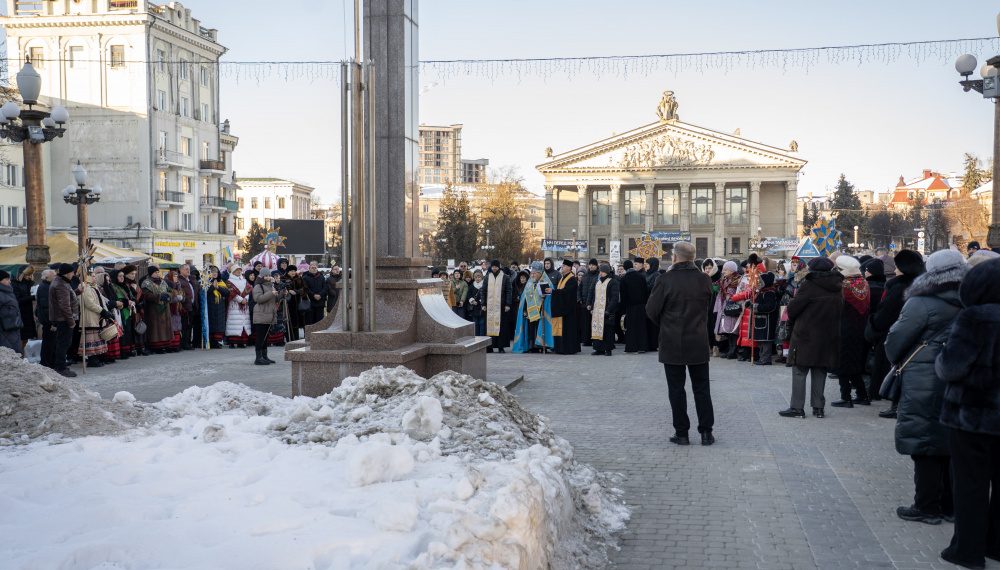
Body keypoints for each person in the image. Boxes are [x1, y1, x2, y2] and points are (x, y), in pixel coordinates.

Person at [884, 249, 967, 527]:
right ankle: (949, 506)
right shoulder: (972, 297)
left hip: (924, 376)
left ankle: (926, 506)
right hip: (959, 375)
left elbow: (896, 338)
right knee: (950, 442)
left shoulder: (922, 301)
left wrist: (897, 359)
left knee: (924, 441)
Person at [934, 258, 1000, 569]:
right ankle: (996, 544)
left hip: (971, 415)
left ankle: (967, 550)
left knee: (970, 484)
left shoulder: (975, 318)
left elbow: (951, 367)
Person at [646, 241, 715, 446]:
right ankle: (706, 433)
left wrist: (667, 323)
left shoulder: (665, 280)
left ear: (675, 257)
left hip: (672, 341)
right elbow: (707, 308)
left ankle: (682, 433)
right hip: (698, 340)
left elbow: (651, 310)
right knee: (702, 388)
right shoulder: (703, 280)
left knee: (676, 389)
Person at [779, 256, 844, 419]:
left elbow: (793, 309)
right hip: (827, 335)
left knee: (800, 370)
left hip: (806, 335)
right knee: (820, 370)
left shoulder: (809, 285)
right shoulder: (837, 286)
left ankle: (797, 408)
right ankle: (818, 407)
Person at [868, 249, 925, 418]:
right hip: (917, 338)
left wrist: (873, 325)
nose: (894, 271)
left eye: (898, 267)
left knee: (896, 369)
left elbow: (885, 314)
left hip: (896, 334)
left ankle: (895, 404)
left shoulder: (899, 287)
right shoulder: (922, 285)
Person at [831, 256, 871, 408]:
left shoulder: (843, 285)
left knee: (842, 363)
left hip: (844, 328)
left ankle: (845, 397)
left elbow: (837, 308)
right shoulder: (864, 283)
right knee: (854, 362)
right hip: (861, 328)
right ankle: (862, 395)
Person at [512, 262, 555, 353]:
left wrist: (545, 297)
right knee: (530, 329)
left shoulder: (546, 282)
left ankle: (541, 345)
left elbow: (550, 297)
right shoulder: (529, 283)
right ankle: (531, 345)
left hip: (541, 311)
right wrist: (524, 310)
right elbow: (524, 298)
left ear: (540, 273)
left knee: (540, 328)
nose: (533, 275)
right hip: (529, 311)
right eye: (532, 273)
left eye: (535, 273)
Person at [48, 264, 79, 376]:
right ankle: (60, 368)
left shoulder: (62, 282)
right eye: (72, 272)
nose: (73, 274)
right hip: (63, 319)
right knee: (63, 343)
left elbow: (68, 297)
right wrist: (71, 322)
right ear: (67, 273)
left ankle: (61, 365)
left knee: (64, 343)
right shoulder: (61, 284)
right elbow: (64, 305)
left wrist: (78, 291)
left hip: (62, 318)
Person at [79, 271, 111, 367]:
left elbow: (102, 300)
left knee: (97, 338)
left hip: (97, 316)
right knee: (91, 339)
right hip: (90, 317)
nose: (94, 278)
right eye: (92, 276)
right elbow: (89, 303)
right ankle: (92, 359)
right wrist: (102, 311)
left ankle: (97, 357)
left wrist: (106, 311)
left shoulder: (94, 287)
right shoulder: (85, 287)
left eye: (94, 276)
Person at [140, 266, 174, 354]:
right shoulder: (146, 283)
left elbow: (170, 291)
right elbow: (146, 295)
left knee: (164, 327)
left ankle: (165, 345)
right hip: (153, 309)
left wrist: (169, 296)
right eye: (155, 272)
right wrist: (159, 297)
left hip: (165, 308)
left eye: (158, 272)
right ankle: (156, 346)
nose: (157, 274)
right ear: (151, 273)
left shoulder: (163, 282)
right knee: (156, 328)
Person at [481, 260, 513, 353]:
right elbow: (483, 291)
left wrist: (508, 304)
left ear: (499, 267)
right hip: (490, 306)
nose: (494, 268)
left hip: (501, 306)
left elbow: (509, 291)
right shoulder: (487, 277)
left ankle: (501, 346)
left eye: (496, 266)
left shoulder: (505, 277)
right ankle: (489, 346)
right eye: (493, 267)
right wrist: (483, 304)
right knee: (489, 326)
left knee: (501, 327)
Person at [551, 259, 581, 355]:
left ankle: (568, 349)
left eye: (563, 266)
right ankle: (560, 348)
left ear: (569, 268)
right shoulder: (562, 278)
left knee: (568, 330)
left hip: (569, 310)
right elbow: (561, 291)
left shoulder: (572, 279)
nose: (562, 268)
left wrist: (553, 292)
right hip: (562, 309)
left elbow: (566, 292)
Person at [713, 261, 742, 359]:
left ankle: (733, 351)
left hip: (733, 306)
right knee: (727, 330)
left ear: (732, 270)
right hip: (724, 306)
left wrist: (730, 297)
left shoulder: (738, 279)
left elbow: (739, 293)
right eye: (724, 269)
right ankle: (730, 349)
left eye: (726, 269)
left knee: (733, 330)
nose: (724, 271)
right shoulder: (724, 280)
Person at [620, 259, 649, 354]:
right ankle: (642, 346)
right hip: (641, 306)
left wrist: (623, 308)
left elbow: (623, 295)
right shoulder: (641, 277)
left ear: (624, 268)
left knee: (631, 327)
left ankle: (632, 347)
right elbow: (646, 291)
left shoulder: (624, 278)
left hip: (630, 307)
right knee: (641, 327)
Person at [590, 262, 619, 356]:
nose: (600, 273)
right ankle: (599, 349)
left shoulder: (613, 282)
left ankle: (608, 349)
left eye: (602, 272)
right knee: (597, 329)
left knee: (608, 331)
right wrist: (592, 306)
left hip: (607, 311)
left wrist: (609, 310)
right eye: (600, 271)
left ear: (607, 272)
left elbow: (614, 298)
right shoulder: (598, 282)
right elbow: (594, 296)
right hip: (597, 311)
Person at [251, 270, 278, 365]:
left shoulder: (271, 286)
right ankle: (258, 358)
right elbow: (258, 299)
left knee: (265, 337)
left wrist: (282, 293)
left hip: (269, 314)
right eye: (265, 275)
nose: (268, 277)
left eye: (269, 275)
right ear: (261, 276)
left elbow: (275, 299)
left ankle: (264, 356)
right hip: (261, 314)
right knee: (260, 337)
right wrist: (271, 293)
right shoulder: (258, 286)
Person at [110, 269, 136, 359]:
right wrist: (127, 302)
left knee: (127, 330)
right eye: (119, 276)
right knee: (122, 330)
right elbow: (117, 299)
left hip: (126, 311)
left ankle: (127, 350)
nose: (122, 278)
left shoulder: (122, 286)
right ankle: (122, 351)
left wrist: (131, 301)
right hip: (119, 311)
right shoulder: (113, 286)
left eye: (122, 276)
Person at [225, 266, 252, 348]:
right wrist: (240, 300)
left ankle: (242, 342)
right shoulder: (229, 281)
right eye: (236, 270)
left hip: (244, 305)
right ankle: (233, 342)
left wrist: (246, 299)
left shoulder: (244, 281)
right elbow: (231, 292)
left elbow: (249, 290)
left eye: (240, 270)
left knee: (243, 322)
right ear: (233, 271)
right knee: (234, 323)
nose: (238, 272)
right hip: (234, 305)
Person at [13, 266, 36, 351]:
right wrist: (33, 297)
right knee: (21, 337)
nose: (29, 276)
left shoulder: (29, 283)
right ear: (22, 274)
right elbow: (18, 300)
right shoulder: (15, 283)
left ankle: (22, 354)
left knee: (26, 337)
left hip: (28, 313)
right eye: (28, 274)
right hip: (20, 313)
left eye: (31, 274)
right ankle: (19, 355)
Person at [35, 269, 54, 367]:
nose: (55, 277)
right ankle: (46, 363)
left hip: (48, 319)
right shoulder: (44, 287)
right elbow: (46, 306)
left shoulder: (47, 286)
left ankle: (49, 361)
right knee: (48, 342)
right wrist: (51, 322)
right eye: (53, 276)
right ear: (47, 277)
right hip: (48, 320)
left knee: (50, 342)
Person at [0, 270, 22, 354]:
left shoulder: (8, 292)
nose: (9, 281)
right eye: (6, 279)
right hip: (4, 330)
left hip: (13, 327)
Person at [206, 266, 228, 349]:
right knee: (211, 324)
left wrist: (218, 287)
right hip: (210, 305)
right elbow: (205, 293)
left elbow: (226, 292)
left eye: (216, 272)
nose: (214, 273)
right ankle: (211, 342)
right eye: (212, 272)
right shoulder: (206, 281)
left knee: (219, 325)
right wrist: (212, 287)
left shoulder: (221, 282)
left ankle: (218, 341)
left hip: (220, 306)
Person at [283, 266, 306, 341]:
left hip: (298, 304)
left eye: (294, 271)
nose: (293, 272)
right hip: (288, 304)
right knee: (289, 322)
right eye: (291, 271)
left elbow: (303, 289)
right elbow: (282, 288)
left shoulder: (299, 279)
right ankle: (289, 339)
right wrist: (288, 291)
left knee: (297, 322)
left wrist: (296, 291)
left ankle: (296, 339)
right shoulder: (284, 278)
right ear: (288, 272)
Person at [580, 259, 599, 347]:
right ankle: (586, 340)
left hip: (595, 303)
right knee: (585, 323)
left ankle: (594, 339)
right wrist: (579, 299)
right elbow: (579, 289)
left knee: (594, 322)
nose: (591, 266)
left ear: (596, 266)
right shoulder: (585, 276)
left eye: (593, 265)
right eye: (590, 265)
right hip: (584, 303)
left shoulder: (598, 276)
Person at [176, 264, 195, 350]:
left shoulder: (189, 280)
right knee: (185, 326)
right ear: (181, 270)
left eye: (189, 269)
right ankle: (185, 344)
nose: (188, 270)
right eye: (186, 269)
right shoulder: (180, 280)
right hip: (184, 307)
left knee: (189, 326)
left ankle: (187, 342)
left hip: (191, 306)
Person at [467, 269, 485, 336]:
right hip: (474, 308)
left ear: (482, 277)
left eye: (479, 277)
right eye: (476, 277)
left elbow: (487, 294)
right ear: (474, 277)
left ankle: (482, 338)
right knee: (476, 323)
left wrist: (482, 301)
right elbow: (469, 294)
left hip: (482, 307)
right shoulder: (472, 285)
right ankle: (476, 337)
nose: (477, 278)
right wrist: (472, 300)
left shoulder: (484, 285)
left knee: (482, 323)